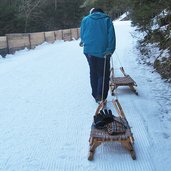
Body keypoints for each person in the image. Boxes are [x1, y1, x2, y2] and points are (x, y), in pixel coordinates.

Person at [80, 8, 116, 103]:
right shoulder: (106, 20)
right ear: (101, 12)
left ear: (92, 12)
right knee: (103, 74)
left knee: (93, 72)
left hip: (89, 51)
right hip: (103, 52)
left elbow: (82, 34)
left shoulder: (85, 19)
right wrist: (110, 49)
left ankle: (95, 94)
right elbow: (111, 36)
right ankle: (101, 96)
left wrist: (83, 41)